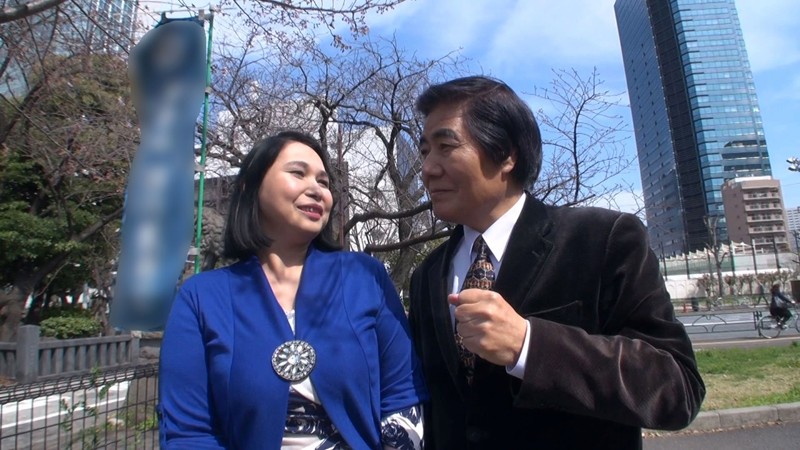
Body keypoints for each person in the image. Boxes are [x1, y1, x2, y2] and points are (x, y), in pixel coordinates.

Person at [408, 76, 705, 449]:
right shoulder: (427, 276)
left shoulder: (604, 240)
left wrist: (529, 346)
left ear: (507, 154)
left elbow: (676, 388)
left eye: (446, 147)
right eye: (424, 151)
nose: (428, 168)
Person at [159, 131, 427, 449]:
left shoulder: (365, 277)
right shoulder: (201, 298)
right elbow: (188, 433)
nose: (317, 190)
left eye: (324, 182)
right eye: (298, 173)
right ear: (250, 187)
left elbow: (402, 396)